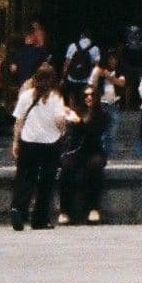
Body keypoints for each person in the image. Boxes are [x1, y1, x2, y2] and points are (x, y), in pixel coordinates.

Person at [10, 64, 73, 231]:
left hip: (28, 141)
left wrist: (15, 142)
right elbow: (60, 121)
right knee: (46, 181)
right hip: (50, 143)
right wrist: (64, 129)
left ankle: (18, 208)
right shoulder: (56, 97)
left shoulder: (26, 96)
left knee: (24, 177)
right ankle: (40, 218)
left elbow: (18, 122)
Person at [58, 84, 110, 225]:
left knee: (95, 166)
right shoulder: (77, 112)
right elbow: (73, 137)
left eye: (92, 95)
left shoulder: (102, 115)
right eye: (86, 95)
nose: (89, 98)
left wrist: (79, 123)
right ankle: (64, 210)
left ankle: (94, 209)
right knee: (66, 167)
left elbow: (94, 135)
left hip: (94, 150)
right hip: (77, 151)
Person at [91, 49, 123, 156]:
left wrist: (108, 76)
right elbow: (91, 86)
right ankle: (100, 153)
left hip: (114, 104)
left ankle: (108, 153)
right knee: (101, 132)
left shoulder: (119, 71)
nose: (113, 61)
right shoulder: (97, 71)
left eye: (115, 59)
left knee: (111, 132)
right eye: (111, 59)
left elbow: (121, 83)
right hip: (101, 104)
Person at [61, 32, 100, 110]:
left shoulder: (73, 46)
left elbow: (67, 63)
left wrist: (63, 77)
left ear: (81, 36)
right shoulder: (95, 48)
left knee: (72, 98)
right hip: (86, 79)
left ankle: (73, 114)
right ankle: (83, 116)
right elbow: (96, 67)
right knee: (84, 100)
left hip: (72, 78)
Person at [10, 19, 49, 92]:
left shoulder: (21, 51)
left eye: (39, 32)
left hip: (27, 85)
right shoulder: (37, 52)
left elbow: (13, 69)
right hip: (30, 85)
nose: (37, 34)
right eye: (35, 31)